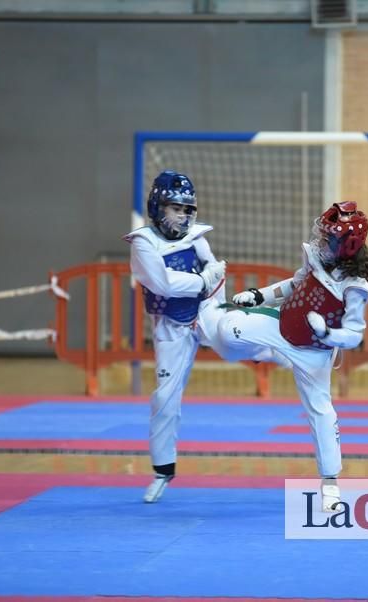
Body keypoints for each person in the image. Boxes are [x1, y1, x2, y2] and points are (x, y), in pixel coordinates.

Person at [218, 201, 368, 512]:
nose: (322, 241)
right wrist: (259, 295)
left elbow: (355, 333)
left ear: (349, 244)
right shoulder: (318, 257)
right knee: (228, 330)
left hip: (314, 352)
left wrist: (327, 336)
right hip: (282, 324)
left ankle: (330, 485)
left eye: (330, 237)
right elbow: (294, 284)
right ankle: (271, 353)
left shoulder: (357, 286)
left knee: (322, 413)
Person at [124, 170, 228, 504]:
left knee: (246, 337)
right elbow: (163, 284)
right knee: (165, 397)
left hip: (206, 313)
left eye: (188, 210)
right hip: (171, 326)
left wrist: (217, 306)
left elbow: (217, 272)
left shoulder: (198, 236)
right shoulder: (143, 243)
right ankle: (163, 471)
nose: (183, 216)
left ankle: (297, 351)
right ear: (157, 206)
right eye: (175, 208)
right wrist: (202, 281)